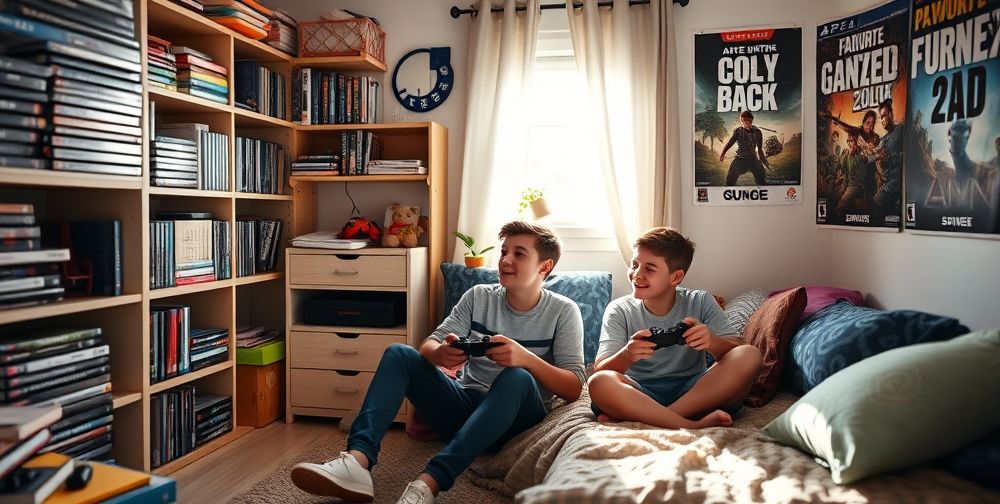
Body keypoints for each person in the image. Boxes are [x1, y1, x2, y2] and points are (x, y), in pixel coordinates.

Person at [290, 221, 585, 504]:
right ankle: (357, 462)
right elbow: (429, 344)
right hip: (464, 408)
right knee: (399, 353)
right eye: (504, 251)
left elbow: (574, 387)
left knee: (517, 376)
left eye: (519, 254)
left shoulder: (563, 311)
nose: (505, 260)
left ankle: (430, 482)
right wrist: (439, 354)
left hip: (517, 422)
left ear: (544, 266)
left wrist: (526, 359)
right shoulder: (478, 296)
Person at [587, 227, 762, 429]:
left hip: (695, 392)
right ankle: (690, 424)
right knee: (599, 381)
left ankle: (661, 417)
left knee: (750, 354)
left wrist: (712, 342)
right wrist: (626, 355)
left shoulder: (701, 301)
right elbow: (601, 370)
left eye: (649, 269)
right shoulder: (619, 309)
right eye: (634, 265)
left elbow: (738, 350)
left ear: (676, 277)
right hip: (639, 393)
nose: (637, 274)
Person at [719, 110, 769, 186]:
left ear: (751, 120)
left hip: (753, 159)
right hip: (740, 159)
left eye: (746, 120)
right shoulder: (738, 131)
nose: (744, 122)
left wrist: (764, 160)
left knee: (761, 180)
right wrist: (723, 153)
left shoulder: (757, 132)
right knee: (730, 181)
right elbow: (730, 143)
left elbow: (759, 149)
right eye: (742, 121)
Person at [873, 99, 902, 212]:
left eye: (883, 116)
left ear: (890, 114)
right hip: (884, 187)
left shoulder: (900, 130)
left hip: (895, 188)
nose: (882, 120)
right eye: (880, 118)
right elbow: (873, 155)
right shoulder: (883, 139)